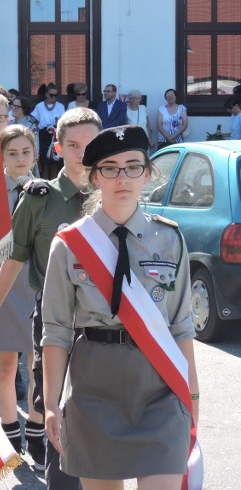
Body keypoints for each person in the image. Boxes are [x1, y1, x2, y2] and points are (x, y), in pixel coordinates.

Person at [42, 125, 199, 489]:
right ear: (95, 177)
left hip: (159, 387)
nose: (122, 177)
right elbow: (57, 330)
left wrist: (192, 396)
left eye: (133, 166)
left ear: (147, 173)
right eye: (110, 168)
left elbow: (181, 327)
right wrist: (51, 402)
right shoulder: (69, 245)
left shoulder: (170, 237)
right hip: (94, 388)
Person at [0, 107, 102, 487]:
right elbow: (14, 260)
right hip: (53, 323)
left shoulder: (115, 197)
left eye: (91, 145)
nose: (83, 154)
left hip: (105, 330)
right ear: (58, 147)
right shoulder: (39, 198)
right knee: (57, 420)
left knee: (99, 430)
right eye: (73, 145)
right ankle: (28, 444)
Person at [0, 125, 41, 456]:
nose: (20, 159)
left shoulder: (47, 192)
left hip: (37, 284)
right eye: (12, 153)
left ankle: (37, 434)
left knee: (38, 365)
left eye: (26, 152)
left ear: (36, 154)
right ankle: (11, 435)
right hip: (2, 285)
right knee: (6, 365)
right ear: (1, 156)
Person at [30, 83, 65, 179]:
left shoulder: (60, 106)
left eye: (56, 95)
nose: (53, 97)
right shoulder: (39, 106)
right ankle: (45, 185)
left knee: (55, 161)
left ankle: (54, 184)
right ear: (46, 94)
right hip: (44, 135)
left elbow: (63, 121)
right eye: (51, 95)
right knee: (45, 161)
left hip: (55, 135)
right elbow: (34, 120)